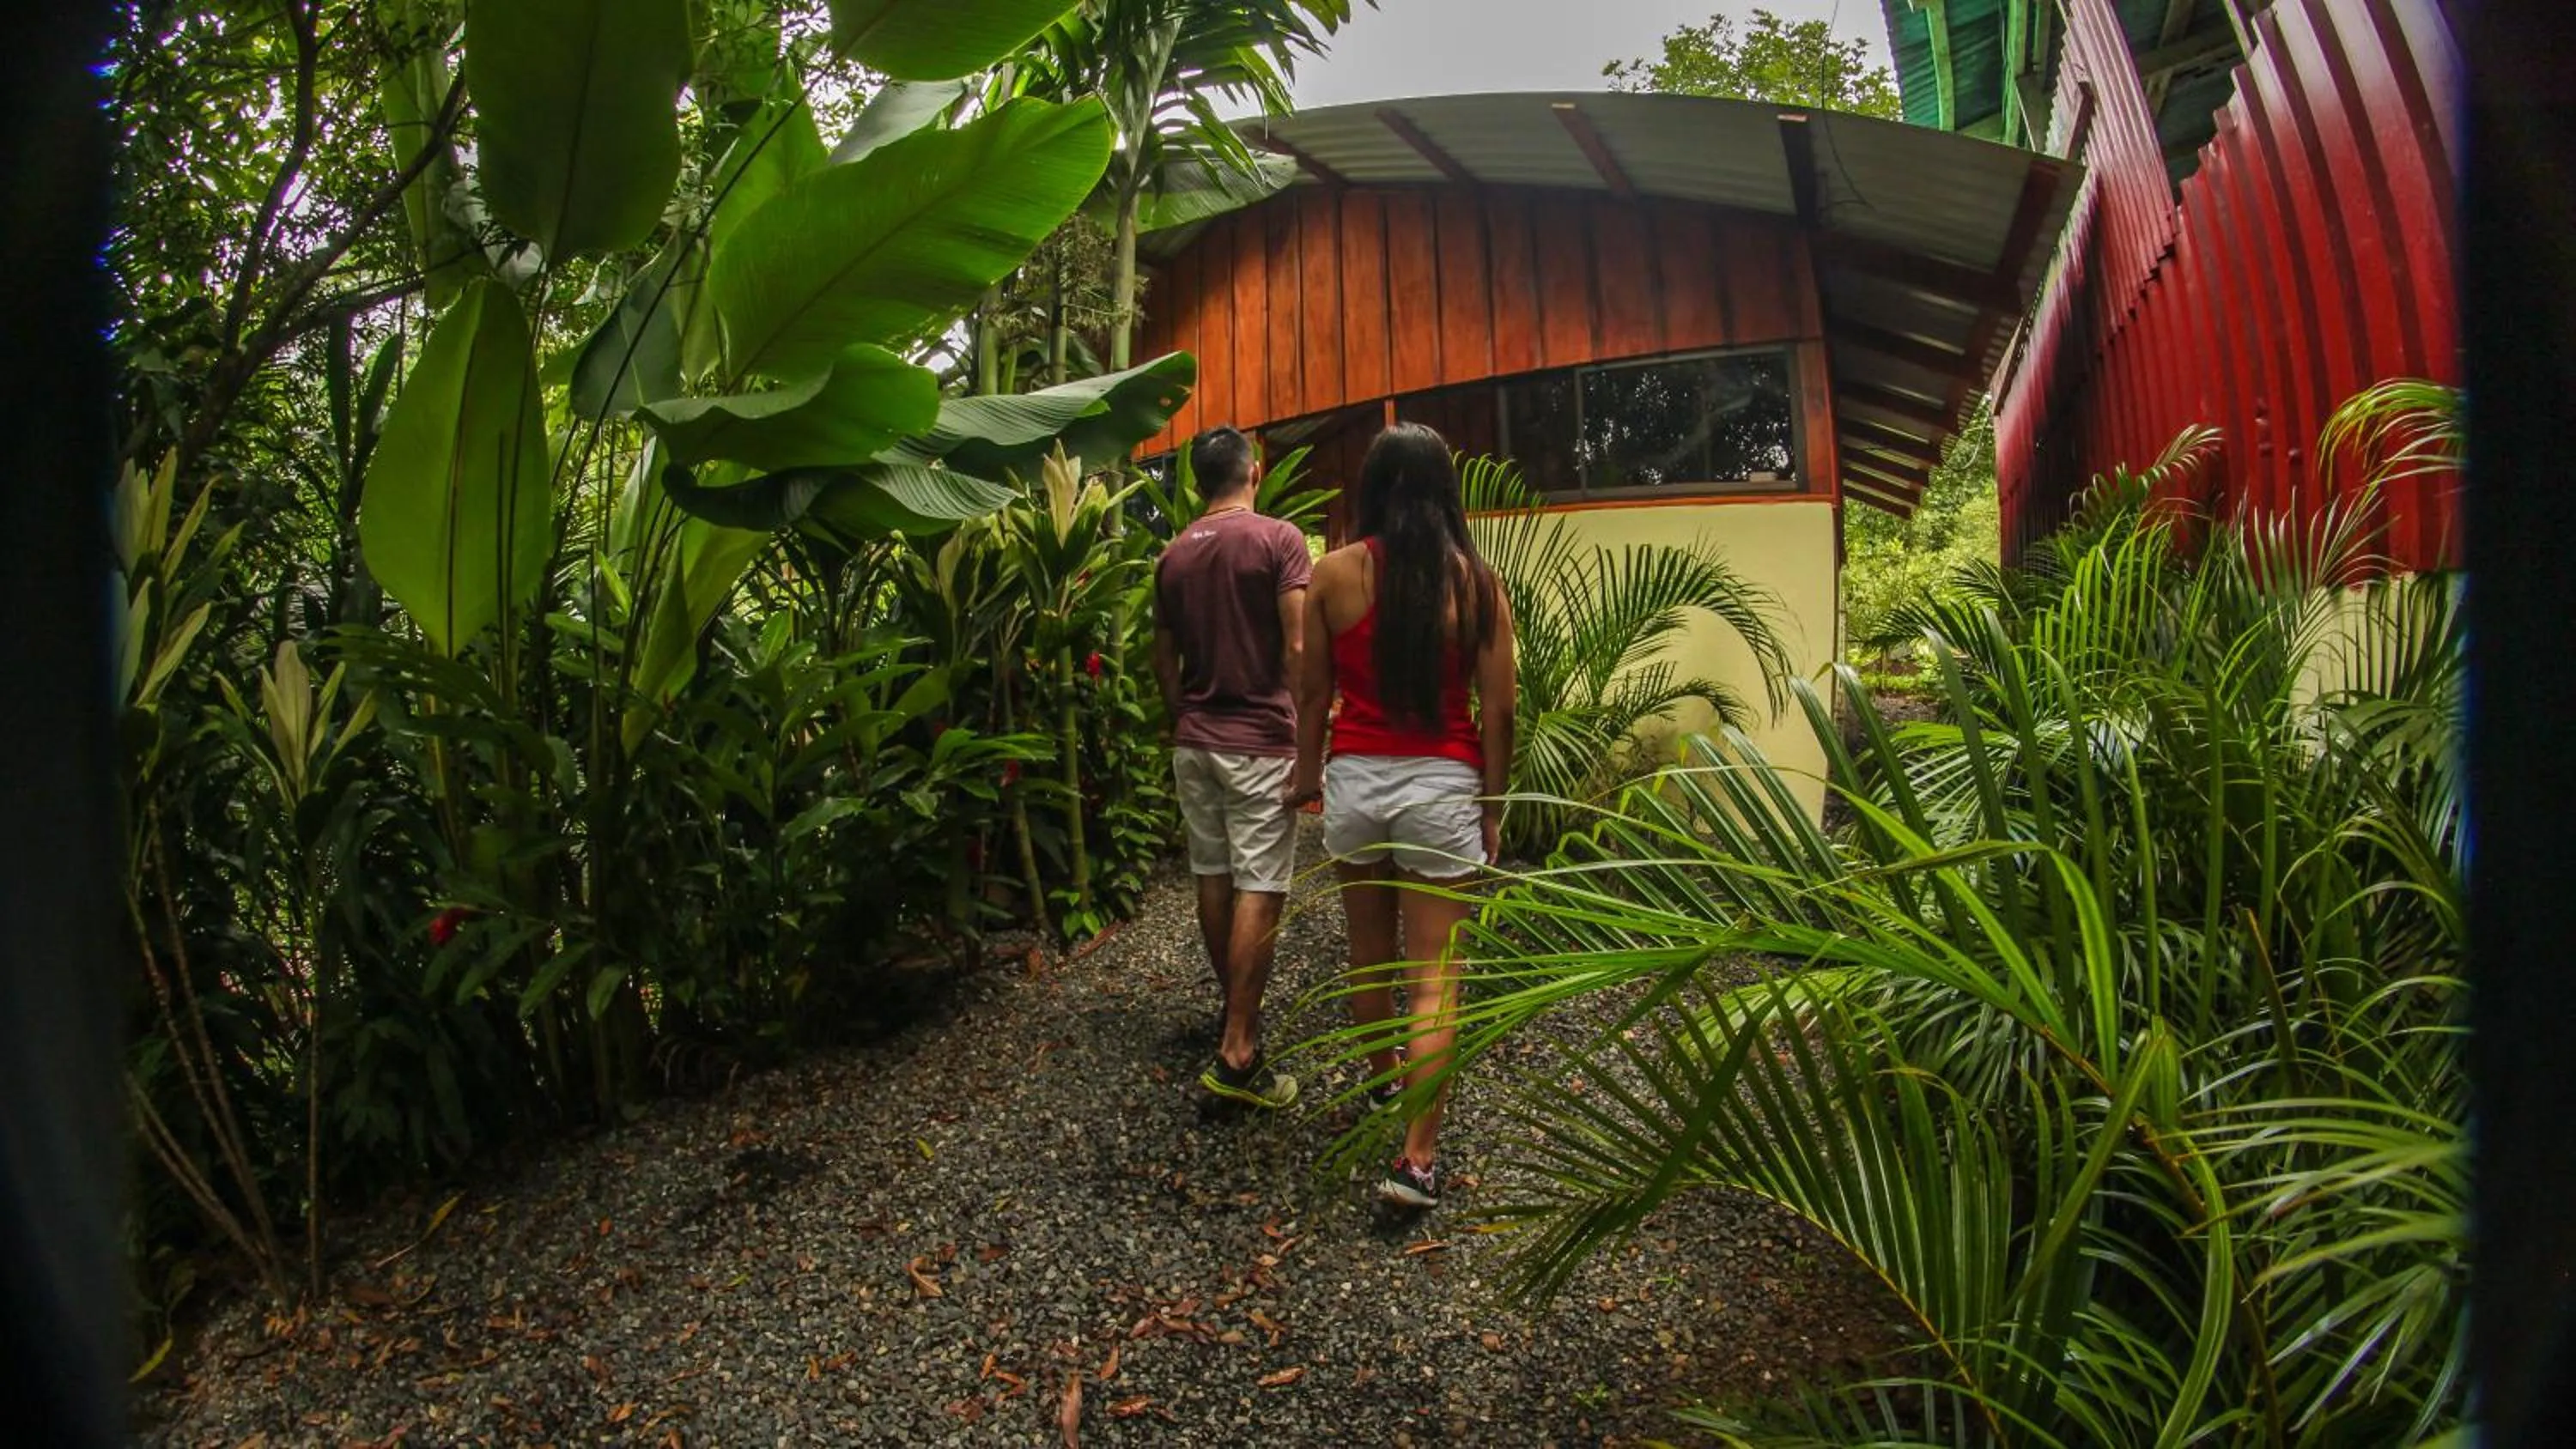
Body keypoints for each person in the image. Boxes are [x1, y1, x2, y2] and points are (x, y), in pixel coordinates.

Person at [1285, 423, 1516, 1210]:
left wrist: (1307, 776)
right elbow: (1500, 710)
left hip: (1356, 782)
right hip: (1442, 788)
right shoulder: (1476, 585)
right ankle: (1416, 1161)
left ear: (1373, 489)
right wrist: (1491, 806)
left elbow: (1312, 692)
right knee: (1434, 977)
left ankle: (1385, 1081)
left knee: (1368, 957)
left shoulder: (1332, 573)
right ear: (1446, 491)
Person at [1153, 427, 1312, 1109]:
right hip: (1259, 740)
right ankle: (1239, 1050)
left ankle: (1235, 1014)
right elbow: (1299, 646)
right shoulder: (1280, 540)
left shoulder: (1172, 555)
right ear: (1255, 471)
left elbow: (1162, 656)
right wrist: (1311, 739)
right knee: (1262, 885)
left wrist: (1181, 715)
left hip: (1195, 739)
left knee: (1214, 876)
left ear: (1199, 482)